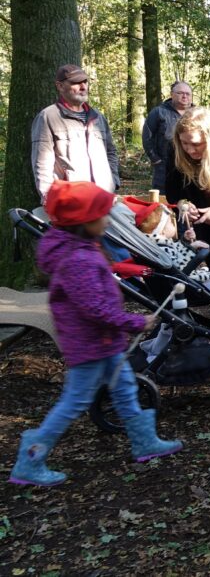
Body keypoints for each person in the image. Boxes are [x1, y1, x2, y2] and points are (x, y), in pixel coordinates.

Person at [8, 181, 181, 487]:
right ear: (84, 222)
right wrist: (135, 322)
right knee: (73, 402)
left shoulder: (83, 249)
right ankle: (30, 461)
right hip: (90, 346)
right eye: (102, 216)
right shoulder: (79, 260)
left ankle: (145, 442)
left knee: (125, 389)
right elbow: (95, 310)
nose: (107, 221)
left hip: (104, 343)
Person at [31, 64, 120, 203]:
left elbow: (111, 152)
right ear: (60, 86)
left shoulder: (97, 117)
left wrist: (113, 181)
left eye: (85, 82)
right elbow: (41, 163)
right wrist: (49, 199)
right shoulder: (48, 117)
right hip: (71, 201)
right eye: (76, 83)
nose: (83, 87)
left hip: (103, 197)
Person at [165, 106, 210, 274]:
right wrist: (183, 204)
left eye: (196, 144)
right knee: (202, 275)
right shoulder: (176, 151)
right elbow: (173, 191)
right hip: (200, 226)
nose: (190, 150)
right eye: (184, 143)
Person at [134, 201, 210, 310]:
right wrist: (191, 248)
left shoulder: (157, 245)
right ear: (162, 231)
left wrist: (185, 241)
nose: (173, 224)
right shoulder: (162, 248)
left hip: (175, 285)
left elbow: (175, 255)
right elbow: (179, 267)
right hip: (184, 289)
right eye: (170, 223)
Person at [143, 80, 193, 190]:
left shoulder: (197, 113)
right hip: (164, 167)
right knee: (163, 197)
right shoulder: (158, 112)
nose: (184, 96)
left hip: (192, 166)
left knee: (191, 196)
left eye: (188, 93)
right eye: (180, 93)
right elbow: (147, 137)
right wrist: (155, 159)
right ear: (172, 94)